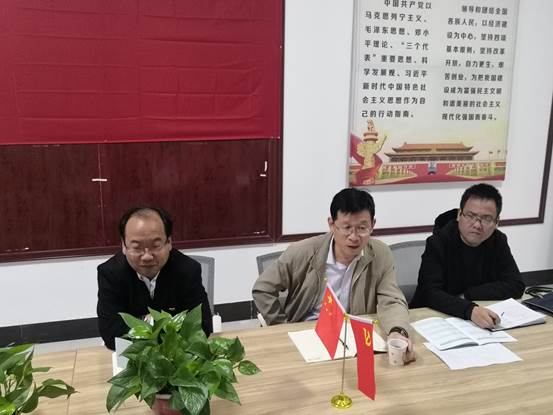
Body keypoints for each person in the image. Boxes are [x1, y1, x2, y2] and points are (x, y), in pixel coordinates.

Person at [252, 188, 415, 362]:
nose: (354, 237)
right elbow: (263, 289)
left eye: (362, 228)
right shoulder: (302, 252)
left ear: (372, 225)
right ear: (331, 224)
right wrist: (283, 327)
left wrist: (397, 331)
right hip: (308, 333)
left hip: (354, 339)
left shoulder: (381, 254)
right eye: (346, 227)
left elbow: (391, 300)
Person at [410, 183, 525, 329]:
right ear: (459, 215)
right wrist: (470, 310)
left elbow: (516, 285)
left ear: (497, 222)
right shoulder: (438, 242)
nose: (477, 225)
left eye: (486, 219)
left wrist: (468, 295)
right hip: (431, 318)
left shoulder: (498, 241)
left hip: (477, 320)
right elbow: (430, 293)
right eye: (471, 216)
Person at [97, 206, 212, 350]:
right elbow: (111, 332)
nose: (147, 256)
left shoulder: (187, 270)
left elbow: (202, 325)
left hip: (177, 355)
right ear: (124, 246)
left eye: (155, 246)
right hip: (132, 357)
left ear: (169, 242)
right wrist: (167, 331)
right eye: (137, 247)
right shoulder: (111, 273)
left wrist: (143, 326)